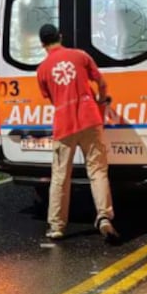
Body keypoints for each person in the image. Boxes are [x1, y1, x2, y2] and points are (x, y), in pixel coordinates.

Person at [35, 24, 119, 242]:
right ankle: (104, 218)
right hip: (90, 119)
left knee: (60, 176)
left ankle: (56, 226)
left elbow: (52, 98)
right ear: (60, 37)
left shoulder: (42, 69)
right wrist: (101, 99)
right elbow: (101, 82)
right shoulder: (80, 56)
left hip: (64, 125)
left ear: (42, 44)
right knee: (97, 171)